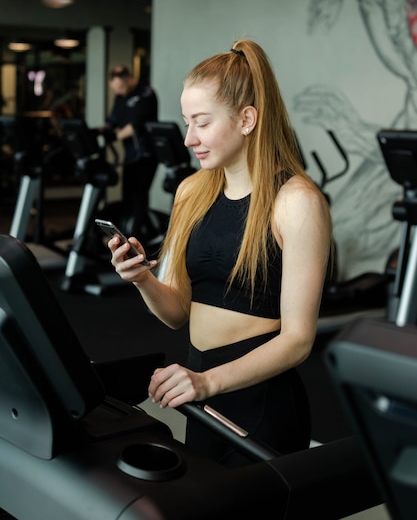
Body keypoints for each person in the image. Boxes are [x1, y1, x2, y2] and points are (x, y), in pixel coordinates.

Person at [107, 40, 332, 467]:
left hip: (262, 404)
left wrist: (208, 382)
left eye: (202, 123)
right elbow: (176, 312)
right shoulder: (191, 191)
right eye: (186, 122)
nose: (189, 138)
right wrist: (142, 279)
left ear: (246, 119)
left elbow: (299, 339)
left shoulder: (297, 202)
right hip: (203, 396)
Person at [104, 64, 159, 239]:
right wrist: (103, 131)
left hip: (145, 155)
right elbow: (113, 120)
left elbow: (135, 126)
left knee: (138, 196)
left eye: (120, 87)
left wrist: (116, 136)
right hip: (130, 156)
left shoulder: (146, 93)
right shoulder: (121, 96)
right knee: (128, 196)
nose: (118, 92)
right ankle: (147, 233)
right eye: (115, 89)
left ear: (129, 79)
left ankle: (138, 237)